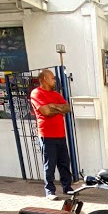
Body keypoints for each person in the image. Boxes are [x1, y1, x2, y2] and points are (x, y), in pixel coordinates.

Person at [30, 69, 73, 200]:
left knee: (64, 163)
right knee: (50, 164)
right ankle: (50, 191)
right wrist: (58, 109)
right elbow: (46, 112)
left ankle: (67, 187)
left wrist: (52, 106)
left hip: (60, 134)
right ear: (45, 79)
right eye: (53, 78)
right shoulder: (37, 93)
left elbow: (67, 107)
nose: (55, 80)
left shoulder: (55, 94)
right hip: (47, 135)